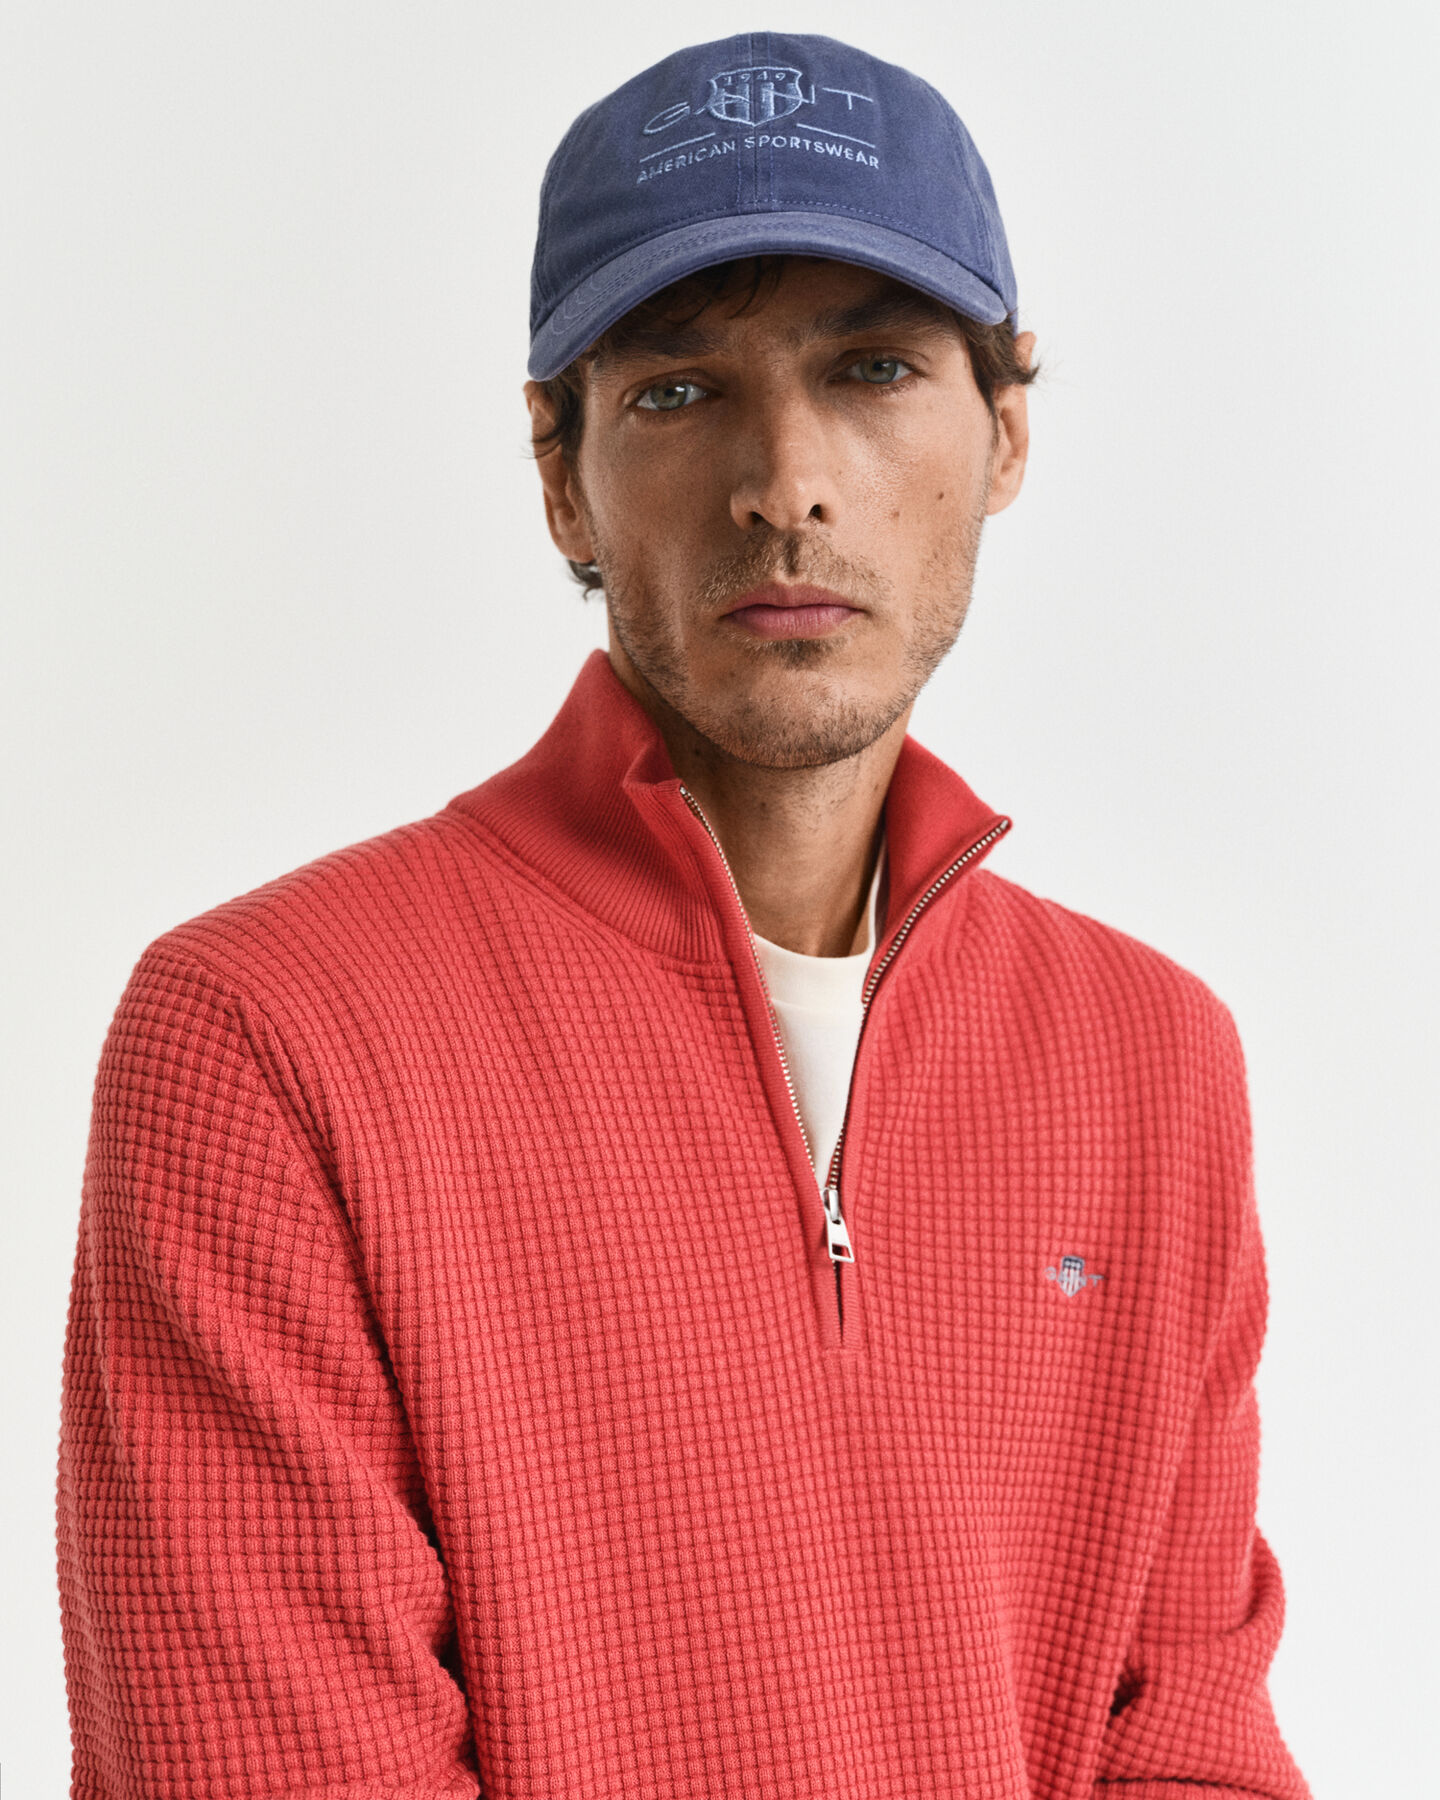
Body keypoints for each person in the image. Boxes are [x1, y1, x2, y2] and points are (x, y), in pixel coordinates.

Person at [55, 30, 1311, 1800]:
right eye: (676, 390)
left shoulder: (1152, 1060)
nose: (785, 481)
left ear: (1007, 434)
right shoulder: (268, 1035)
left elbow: (1187, 1743)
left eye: (872, 368)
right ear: (557, 469)